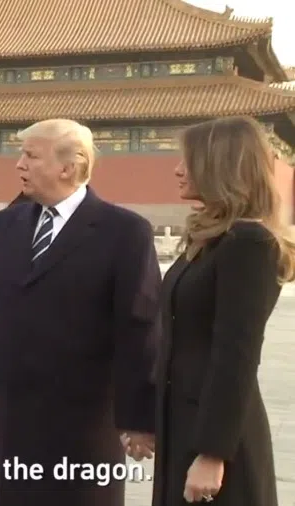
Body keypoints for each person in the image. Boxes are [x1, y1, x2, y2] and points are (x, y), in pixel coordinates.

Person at [0, 118, 161, 506]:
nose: (18, 164)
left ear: (69, 167)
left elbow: (140, 329)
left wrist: (138, 417)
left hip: (88, 417)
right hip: (17, 409)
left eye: (31, 156)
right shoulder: (6, 225)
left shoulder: (125, 232)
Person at [152, 116, 291, 506]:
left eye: (189, 160)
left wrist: (213, 453)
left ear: (219, 165)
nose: (178, 170)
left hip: (215, 435)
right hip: (180, 423)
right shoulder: (210, 238)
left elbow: (237, 354)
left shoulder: (249, 243)